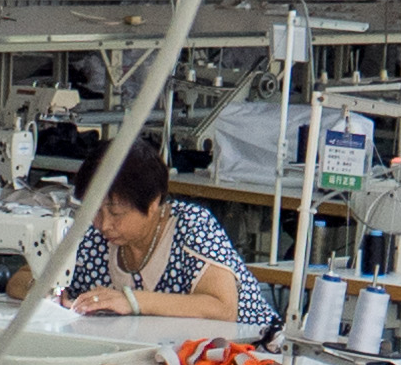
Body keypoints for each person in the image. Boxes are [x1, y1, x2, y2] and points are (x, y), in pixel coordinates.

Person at [42, 139, 268, 330]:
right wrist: (57, 299)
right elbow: (35, 283)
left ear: (153, 204)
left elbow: (223, 308)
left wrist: (132, 301)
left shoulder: (192, 226)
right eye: (94, 210)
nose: (104, 224)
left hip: (245, 356)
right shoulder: (93, 239)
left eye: (116, 213)